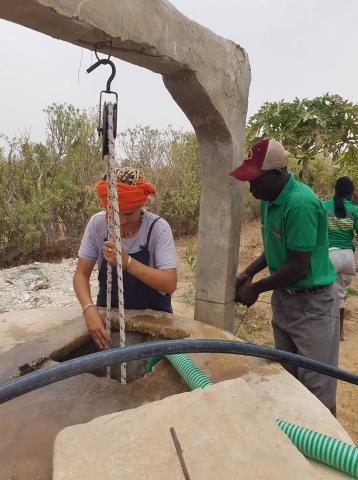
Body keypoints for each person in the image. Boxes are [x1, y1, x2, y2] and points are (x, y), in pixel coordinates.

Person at [230, 138, 339, 414]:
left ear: (277, 175)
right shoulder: (269, 199)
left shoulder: (300, 203)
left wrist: (256, 289)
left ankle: (329, 448)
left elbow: (298, 266)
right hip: (285, 298)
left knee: (318, 387)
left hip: (312, 305)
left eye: (256, 181)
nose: (252, 188)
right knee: (288, 378)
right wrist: (248, 273)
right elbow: (274, 248)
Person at [73, 167, 177, 350]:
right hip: (109, 314)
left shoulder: (158, 229)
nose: (120, 221)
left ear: (141, 205)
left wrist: (127, 263)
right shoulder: (97, 225)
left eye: (128, 213)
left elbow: (169, 283)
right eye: (113, 213)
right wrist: (88, 309)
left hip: (152, 318)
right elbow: (81, 275)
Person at [323, 177, 358, 341]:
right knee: (340, 295)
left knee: (323, 293)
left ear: (335, 191)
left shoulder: (324, 207)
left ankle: (326, 329)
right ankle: (340, 333)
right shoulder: (355, 210)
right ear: (351, 195)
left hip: (329, 255)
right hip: (348, 257)